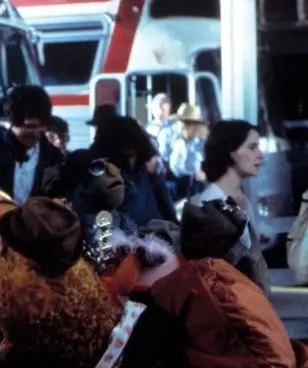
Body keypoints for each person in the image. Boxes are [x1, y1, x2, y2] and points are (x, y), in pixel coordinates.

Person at [189, 119, 269, 290]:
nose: (261, 155)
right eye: (252, 147)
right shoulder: (210, 203)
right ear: (231, 152)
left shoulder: (240, 197)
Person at [91, 115, 177, 225]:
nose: (124, 165)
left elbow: (171, 220)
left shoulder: (151, 179)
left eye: (128, 157)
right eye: (117, 159)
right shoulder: (96, 186)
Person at [0, 85, 64, 205]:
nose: (36, 134)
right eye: (30, 127)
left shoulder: (54, 157)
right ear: (12, 123)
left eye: (42, 126)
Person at [167, 103, 208, 199]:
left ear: (196, 125)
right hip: (177, 187)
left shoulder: (203, 143)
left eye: (188, 123)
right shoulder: (177, 142)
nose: (183, 126)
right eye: (181, 122)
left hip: (197, 188)